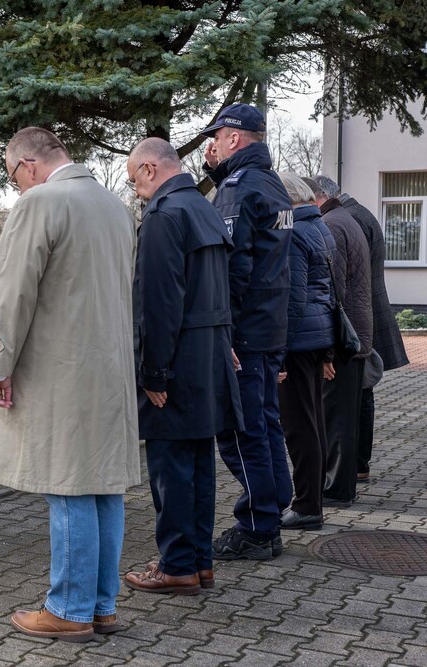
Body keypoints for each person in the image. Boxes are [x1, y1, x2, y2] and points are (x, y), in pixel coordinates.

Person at [0, 127, 140, 642]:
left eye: (14, 177)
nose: (17, 187)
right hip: (110, 369)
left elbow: (13, 293)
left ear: (27, 165)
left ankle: (69, 609)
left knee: (68, 483)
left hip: (61, 371)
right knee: (103, 486)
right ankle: (102, 605)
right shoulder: (116, 207)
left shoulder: (40, 203)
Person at [123, 138, 242, 596]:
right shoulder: (204, 208)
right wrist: (225, 342)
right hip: (207, 354)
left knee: (171, 467)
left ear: (150, 169)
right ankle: (199, 562)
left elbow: (158, 302)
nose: (136, 191)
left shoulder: (163, 215)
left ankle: (176, 566)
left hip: (176, 360)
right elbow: (222, 287)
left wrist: (153, 372)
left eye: (134, 180)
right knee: (198, 463)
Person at [200, 103, 294, 560]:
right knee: (264, 424)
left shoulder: (239, 189)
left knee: (240, 431)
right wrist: (218, 177)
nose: (214, 146)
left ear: (234, 138)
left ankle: (257, 526)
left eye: (217, 137)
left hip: (245, 334)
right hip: (270, 327)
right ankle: (272, 512)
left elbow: (234, 268)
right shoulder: (270, 184)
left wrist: (226, 333)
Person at [305, 176, 372, 507]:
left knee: (335, 417)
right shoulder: (345, 218)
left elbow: (334, 290)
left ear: (315, 198)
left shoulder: (330, 224)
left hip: (343, 337)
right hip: (355, 333)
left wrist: (328, 351)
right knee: (344, 414)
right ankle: (341, 486)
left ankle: (335, 489)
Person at [276, 173, 337, 531]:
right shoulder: (319, 227)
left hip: (299, 340)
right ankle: (312, 499)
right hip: (317, 335)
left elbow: (293, 299)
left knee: (299, 426)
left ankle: (307, 505)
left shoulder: (295, 232)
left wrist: (280, 351)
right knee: (313, 421)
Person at [336, 187, 409, 481]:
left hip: (360, 317)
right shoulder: (361, 214)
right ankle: (360, 463)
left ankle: (358, 463)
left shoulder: (350, 219)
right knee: (364, 391)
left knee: (362, 392)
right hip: (369, 312)